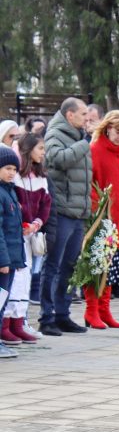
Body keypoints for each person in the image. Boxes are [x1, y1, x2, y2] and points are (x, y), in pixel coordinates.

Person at [38, 97, 91, 336]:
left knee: (71, 266)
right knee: (53, 265)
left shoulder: (79, 136)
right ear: (70, 115)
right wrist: (85, 145)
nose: (86, 119)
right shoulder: (55, 134)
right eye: (82, 115)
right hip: (62, 211)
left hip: (78, 211)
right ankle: (46, 317)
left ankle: (63, 314)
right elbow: (56, 160)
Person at [87, 111, 119, 327]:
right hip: (101, 218)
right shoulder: (95, 151)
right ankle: (91, 311)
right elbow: (91, 184)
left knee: (111, 263)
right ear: (108, 127)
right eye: (118, 132)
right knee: (97, 264)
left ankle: (104, 309)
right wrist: (99, 210)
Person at [5, 134, 51, 342]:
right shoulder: (15, 176)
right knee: (16, 277)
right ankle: (6, 322)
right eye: (40, 148)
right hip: (16, 234)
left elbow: (46, 204)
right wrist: (23, 223)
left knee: (26, 278)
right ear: (28, 149)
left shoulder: (41, 177)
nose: (43, 152)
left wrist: (37, 223)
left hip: (31, 234)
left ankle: (19, 320)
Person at [0, 147, 31, 356]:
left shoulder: (9, 190)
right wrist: (3, 260)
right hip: (3, 261)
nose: (11, 172)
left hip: (11, 258)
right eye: (7, 168)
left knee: (3, 301)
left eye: (14, 169)